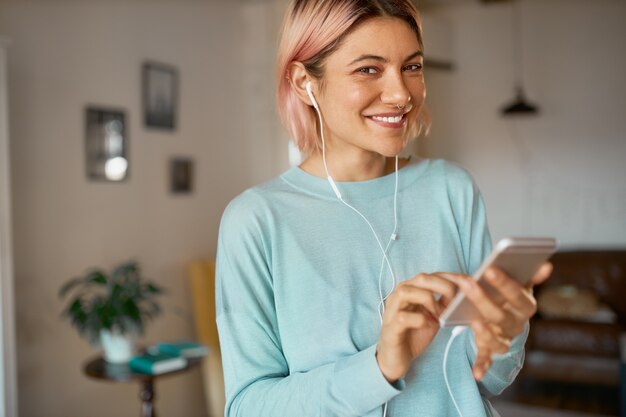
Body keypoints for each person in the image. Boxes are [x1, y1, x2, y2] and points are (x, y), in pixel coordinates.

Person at [215, 1, 552, 416]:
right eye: (369, 69)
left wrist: (506, 334)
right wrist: (380, 366)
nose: (400, 95)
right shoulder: (255, 221)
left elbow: (488, 378)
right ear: (305, 82)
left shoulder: (452, 189)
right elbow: (248, 407)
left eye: (411, 67)